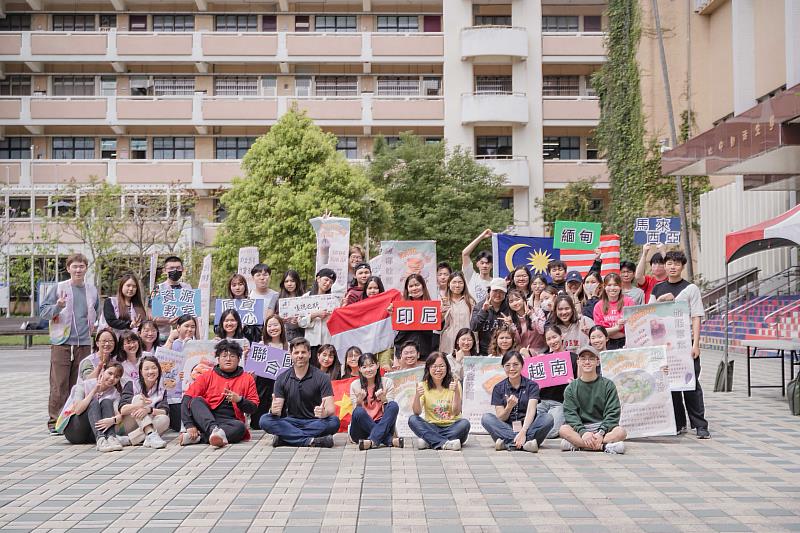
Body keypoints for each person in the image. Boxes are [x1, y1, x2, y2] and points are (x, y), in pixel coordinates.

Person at [649, 250, 710, 439]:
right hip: (665, 345)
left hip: (685, 344)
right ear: (664, 266)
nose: (672, 267)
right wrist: (660, 302)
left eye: (676, 263)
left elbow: (696, 316)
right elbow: (649, 315)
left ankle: (700, 424)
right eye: (669, 263)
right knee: (671, 384)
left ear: (682, 266)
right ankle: (678, 422)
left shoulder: (691, 289)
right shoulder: (657, 288)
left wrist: (696, 344)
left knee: (690, 384)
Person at [40, 253, 100, 434]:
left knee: (79, 382)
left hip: (83, 342)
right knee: (59, 382)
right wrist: (58, 305)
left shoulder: (92, 290)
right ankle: (54, 421)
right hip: (62, 342)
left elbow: (95, 312)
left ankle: (71, 417)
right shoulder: (59, 288)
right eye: (75, 266)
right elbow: (44, 312)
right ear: (68, 269)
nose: (78, 270)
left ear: (86, 269)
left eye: (82, 266)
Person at [260, 337, 340, 448]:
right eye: (296, 352)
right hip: (290, 422)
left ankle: (286, 438)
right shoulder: (282, 378)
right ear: (290, 354)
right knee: (265, 420)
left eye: (303, 352)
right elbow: (277, 411)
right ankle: (311, 441)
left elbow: (331, 410)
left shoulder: (322, 377)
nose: (300, 356)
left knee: (334, 422)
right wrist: (273, 410)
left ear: (309, 354)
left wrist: (324, 413)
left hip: (315, 422)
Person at [180, 340, 258, 448]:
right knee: (196, 401)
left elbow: (253, 407)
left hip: (230, 421)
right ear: (218, 359)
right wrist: (189, 424)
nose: (228, 359)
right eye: (224, 356)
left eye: (232, 356)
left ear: (239, 359)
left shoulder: (247, 378)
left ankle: (199, 438)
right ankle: (213, 431)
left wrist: (239, 400)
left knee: (240, 427)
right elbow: (186, 399)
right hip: (205, 418)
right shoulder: (207, 376)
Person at [481, 351, 554, 452]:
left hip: (528, 427)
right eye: (507, 365)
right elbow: (501, 417)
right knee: (486, 418)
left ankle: (508, 443)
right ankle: (526, 444)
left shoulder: (532, 385)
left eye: (516, 365)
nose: (511, 368)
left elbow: (531, 411)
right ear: (503, 367)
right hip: (507, 428)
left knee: (548, 418)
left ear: (522, 365)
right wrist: (509, 407)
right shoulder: (498, 388)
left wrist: (523, 431)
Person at [560, 346, 626, 453]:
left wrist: (601, 433)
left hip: (602, 426)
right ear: (578, 362)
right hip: (582, 427)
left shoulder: (608, 385)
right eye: (583, 359)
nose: (587, 362)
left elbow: (613, 413)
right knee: (563, 430)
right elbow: (570, 415)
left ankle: (578, 445)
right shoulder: (571, 388)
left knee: (621, 432)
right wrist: (583, 432)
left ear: (597, 362)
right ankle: (604, 447)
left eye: (591, 358)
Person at [408, 352, 470, 450]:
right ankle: (445, 443)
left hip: (453, 426)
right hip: (432, 426)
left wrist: (456, 392)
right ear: (428, 368)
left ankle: (430, 440)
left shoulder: (455, 384)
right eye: (434, 366)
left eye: (441, 366)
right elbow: (417, 412)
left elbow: (456, 412)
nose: (438, 370)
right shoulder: (423, 385)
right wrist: (417, 395)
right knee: (412, 419)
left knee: (464, 424)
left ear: (447, 368)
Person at [62, 363, 125, 452]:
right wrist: (94, 390)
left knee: (107, 402)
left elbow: (119, 416)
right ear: (103, 371)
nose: (112, 378)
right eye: (110, 373)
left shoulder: (115, 393)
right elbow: (78, 410)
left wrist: (112, 420)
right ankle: (101, 439)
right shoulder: (83, 385)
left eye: (116, 377)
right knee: (94, 402)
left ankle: (111, 437)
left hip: (91, 434)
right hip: (74, 431)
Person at [349, 352, 403, 450]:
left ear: (377, 365)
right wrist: (359, 402)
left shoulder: (387, 382)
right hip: (361, 430)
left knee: (393, 405)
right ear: (360, 369)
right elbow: (356, 415)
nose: (368, 370)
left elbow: (389, 412)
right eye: (364, 367)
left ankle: (371, 441)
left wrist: (384, 399)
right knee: (358, 411)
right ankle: (389, 440)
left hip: (382, 424)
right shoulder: (355, 385)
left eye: (371, 365)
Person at [118, 355, 169, 449]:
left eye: (154, 368)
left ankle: (131, 439)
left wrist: (148, 409)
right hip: (130, 423)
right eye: (146, 369)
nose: (151, 371)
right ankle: (150, 433)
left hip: (145, 423)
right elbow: (123, 410)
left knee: (165, 419)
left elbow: (164, 410)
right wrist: (139, 406)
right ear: (141, 372)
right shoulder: (132, 385)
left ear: (158, 370)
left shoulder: (161, 388)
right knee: (138, 398)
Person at [538, 325, 579, 438]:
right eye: (549, 339)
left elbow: (579, 384)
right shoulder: (543, 359)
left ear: (561, 336)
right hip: (542, 402)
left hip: (560, 403)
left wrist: (573, 384)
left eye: (554, 337)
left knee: (551, 432)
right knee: (527, 424)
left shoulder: (574, 358)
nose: (552, 341)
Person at [249, 315, 289, 431]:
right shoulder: (261, 345)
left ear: (281, 326)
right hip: (263, 382)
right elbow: (255, 367)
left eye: (275, 325)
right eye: (269, 326)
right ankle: (258, 422)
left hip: (281, 382)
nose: (273, 328)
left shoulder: (288, 346)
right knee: (260, 406)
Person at [393, 274, 437, 361]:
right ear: (407, 289)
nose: (414, 288)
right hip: (405, 354)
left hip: (425, 352)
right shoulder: (401, 307)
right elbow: (397, 333)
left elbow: (437, 330)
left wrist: (442, 316)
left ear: (423, 286)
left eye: (417, 285)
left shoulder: (431, 306)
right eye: (411, 286)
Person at [298, 268, 336, 357]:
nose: (327, 284)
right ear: (318, 279)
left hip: (327, 341)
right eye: (326, 280)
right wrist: (315, 315)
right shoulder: (306, 297)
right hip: (311, 341)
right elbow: (301, 323)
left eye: (331, 282)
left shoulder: (333, 300)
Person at [470, 278, 511, 355]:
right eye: (495, 291)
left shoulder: (509, 307)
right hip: (485, 352)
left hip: (505, 351)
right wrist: (483, 311)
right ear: (489, 291)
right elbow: (474, 327)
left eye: (501, 292)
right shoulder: (479, 306)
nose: (498, 295)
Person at [593, 273, 635, 350]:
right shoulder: (598, 306)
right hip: (608, 344)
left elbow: (633, 326)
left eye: (615, 285)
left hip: (627, 342)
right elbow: (600, 332)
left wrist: (610, 330)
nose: (612, 288)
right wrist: (618, 328)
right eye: (609, 285)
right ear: (604, 287)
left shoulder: (629, 302)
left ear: (620, 286)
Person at [154, 255, 192, 338]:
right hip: (164, 337)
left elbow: (194, 315)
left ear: (182, 269)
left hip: (186, 337)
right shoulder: (157, 289)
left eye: (178, 268)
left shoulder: (188, 288)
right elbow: (152, 317)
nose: (175, 271)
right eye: (171, 268)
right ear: (164, 270)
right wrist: (168, 321)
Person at [362, 276, 394, 369]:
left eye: (376, 288)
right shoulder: (360, 306)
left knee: (385, 368)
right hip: (367, 343)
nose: (373, 290)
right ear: (365, 290)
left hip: (385, 344)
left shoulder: (388, 303)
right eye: (370, 288)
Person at [439, 271, 475, 354]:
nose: (457, 285)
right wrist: (442, 314)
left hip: (466, 342)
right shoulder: (443, 302)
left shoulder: (470, 302)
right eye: (454, 282)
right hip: (448, 341)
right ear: (448, 284)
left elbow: (474, 324)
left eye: (460, 282)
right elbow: (438, 325)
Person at [505, 288, 547, 354]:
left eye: (517, 299)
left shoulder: (537, 311)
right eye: (511, 301)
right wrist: (511, 325)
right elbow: (516, 342)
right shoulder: (510, 319)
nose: (515, 303)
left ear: (524, 300)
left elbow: (543, 330)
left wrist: (531, 315)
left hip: (542, 352)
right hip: (524, 354)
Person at [227, 273, 263, 344]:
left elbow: (260, 329)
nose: (237, 288)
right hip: (230, 343)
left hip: (250, 342)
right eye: (234, 285)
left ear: (245, 286)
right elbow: (218, 328)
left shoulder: (254, 304)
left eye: (240, 284)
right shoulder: (225, 305)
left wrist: (246, 327)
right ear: (230, 287)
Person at [461, 229, 493, 304]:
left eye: (487, 263)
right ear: (477, 264)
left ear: (491, 265)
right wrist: (481, 236)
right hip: (472, 313)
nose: (484, 266)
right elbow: (465, 254)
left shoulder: (495, 282)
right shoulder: (471, 276)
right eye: (482, 263)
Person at [278, 270, 306, 341]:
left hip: (300, 334)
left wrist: (299, 320)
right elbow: (270, 317)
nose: (289, 284)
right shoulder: (277, 297)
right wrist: (281, 319)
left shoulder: (304, 297)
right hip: (282, 335)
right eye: (286, 281)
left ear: (297, 282)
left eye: (292, 281)